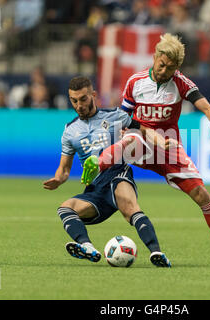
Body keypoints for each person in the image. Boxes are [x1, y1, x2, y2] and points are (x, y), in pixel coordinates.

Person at [82, 34, 210, 267]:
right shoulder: (135, 82)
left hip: (167, 146)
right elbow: (123, 118)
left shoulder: (181, 83)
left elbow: (206, 106)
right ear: (155, 56)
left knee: (202, 196)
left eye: (169, 68)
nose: (163, 70)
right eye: (161, 63)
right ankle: (99, 162)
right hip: (140, 138)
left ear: (176, 68)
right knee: (132, 139)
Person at [42, 76, 173, 267]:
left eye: (83, 99)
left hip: (117, 174)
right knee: (65, 208)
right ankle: (87, 247)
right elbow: (64, 169)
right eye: (74, 101)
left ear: (93, 95)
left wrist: (160, 141)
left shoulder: (116, 116)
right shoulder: (70, 131)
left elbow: (143, 129)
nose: (79, 105)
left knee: (130, 209)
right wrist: (58, 179)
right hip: (95, 189)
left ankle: (157, 253)